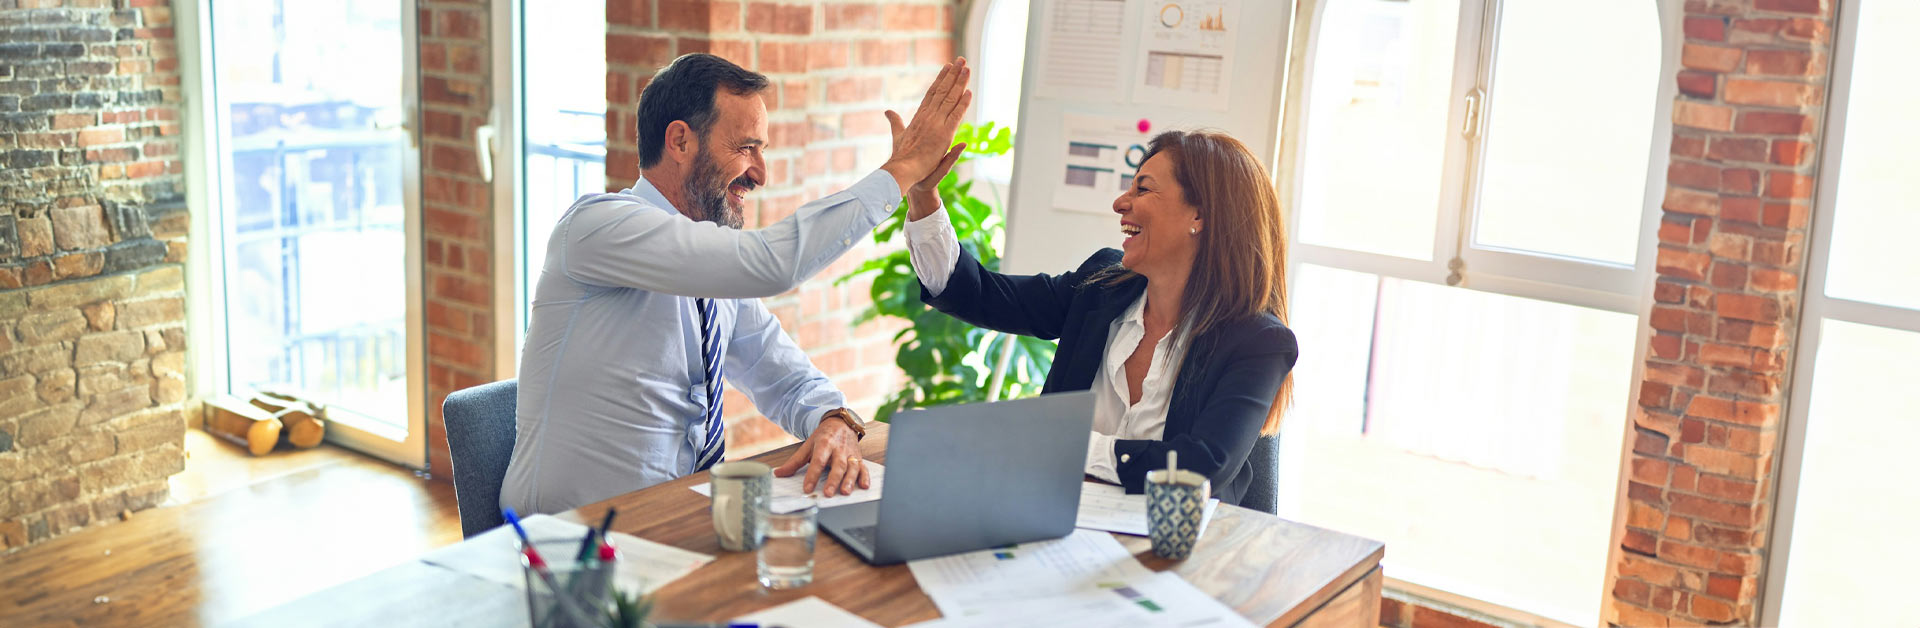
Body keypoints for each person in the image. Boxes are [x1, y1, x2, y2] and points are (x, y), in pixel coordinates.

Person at [500, 53, 972, 515]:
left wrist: (834, 419)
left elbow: (783, 374)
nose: (760, 173)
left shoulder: (711, 272)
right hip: (567, 544)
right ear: (680, 142)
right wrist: (903, 170)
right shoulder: (598, 227)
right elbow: (772, 264)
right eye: (747, 147)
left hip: (674, 523)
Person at [902, 130, 1296, 506]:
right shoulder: (1101, 287)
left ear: (1200, 216)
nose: (1120, 203)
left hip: (1178, 554)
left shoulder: (1257, 341)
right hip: (1055, 523)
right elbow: (978, 294)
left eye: (1142, 188)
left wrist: (1065, 444)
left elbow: (1199, 467)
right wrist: (923, 194)